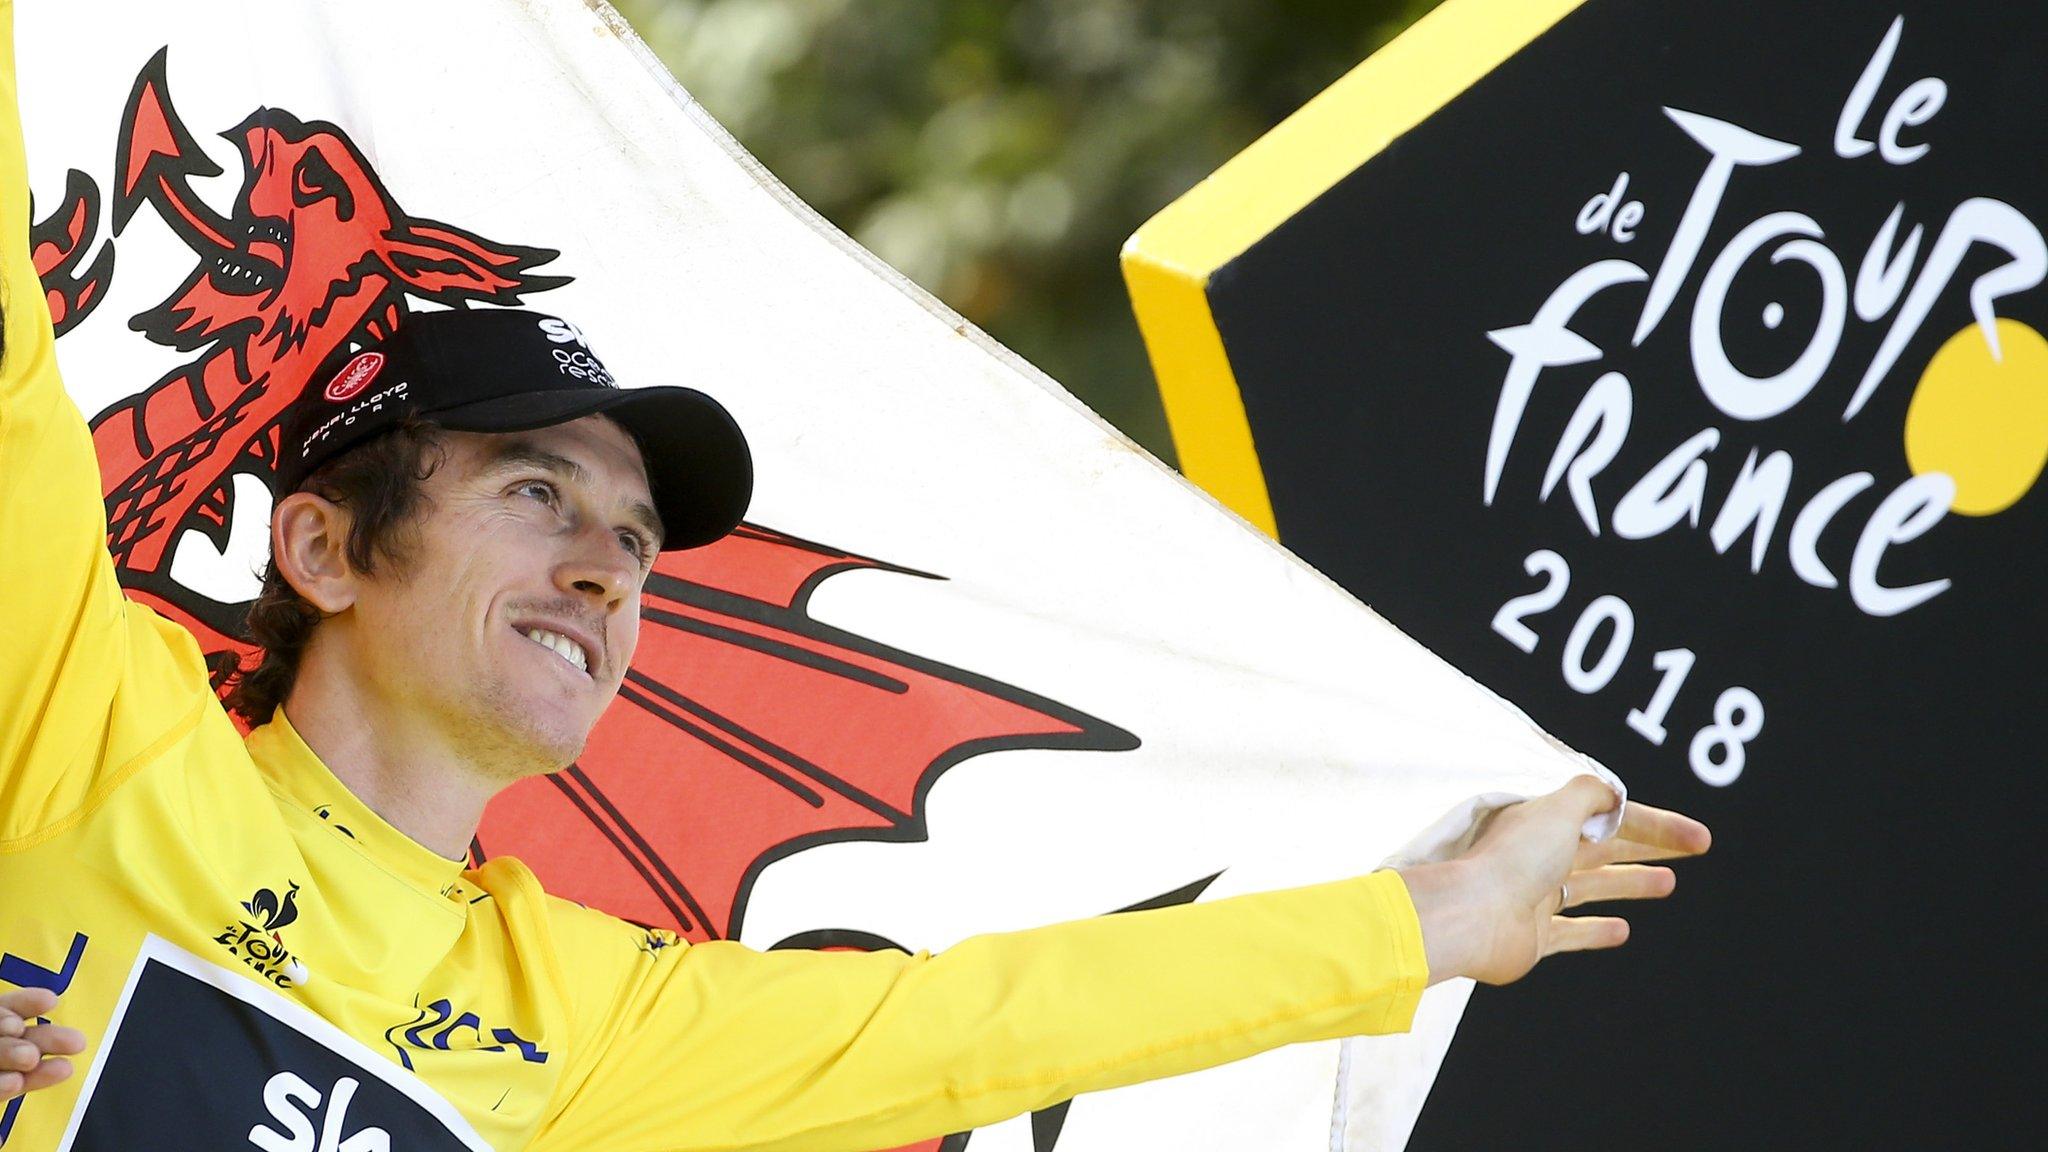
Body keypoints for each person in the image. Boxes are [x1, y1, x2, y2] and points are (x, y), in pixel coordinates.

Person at [0, 21, 1708, 1150]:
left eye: (640, 542)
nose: (606, 567)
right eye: (537, 495)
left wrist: (1431, 927)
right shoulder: (89, 731)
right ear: (319, 548)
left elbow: (979, 1019)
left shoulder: (581, 1017)